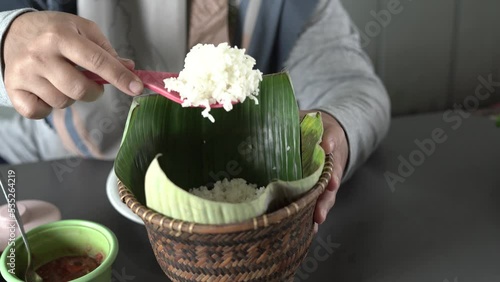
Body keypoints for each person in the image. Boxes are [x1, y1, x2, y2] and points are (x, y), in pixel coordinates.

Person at [0, 0, 390, 228]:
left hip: (238, 217)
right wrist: (7, 35)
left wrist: (333, 128)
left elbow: (353, 86)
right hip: (51, 171)